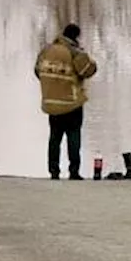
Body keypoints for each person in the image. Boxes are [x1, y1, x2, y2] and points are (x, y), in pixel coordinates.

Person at [35, 23, 98, 179]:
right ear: (76, 36)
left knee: (54, 138)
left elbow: (37, 71)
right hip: (72, 103)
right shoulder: (74, 52)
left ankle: (54, 171)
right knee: (73, 136)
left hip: (51, 102)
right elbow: (88, 70)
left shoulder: (46, 50)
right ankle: (74, 171)